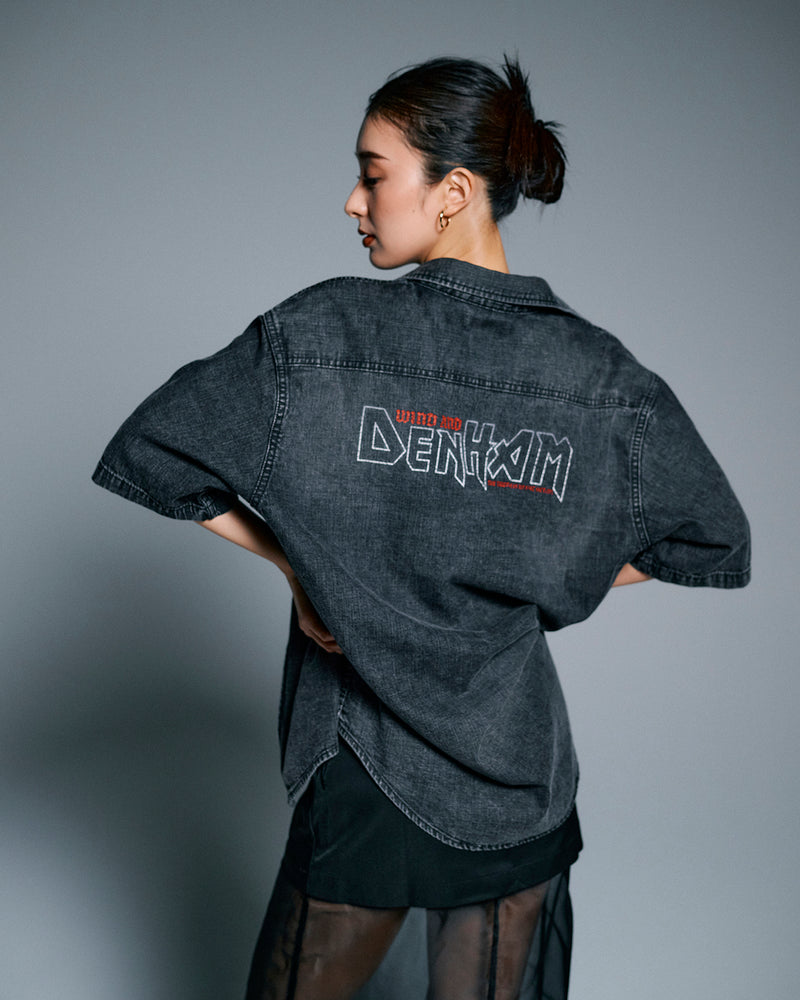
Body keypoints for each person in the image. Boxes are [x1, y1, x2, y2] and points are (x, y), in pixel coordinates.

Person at [92, 56, 750, 999]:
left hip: (365, 762)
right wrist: (549, 567)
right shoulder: (602, 379)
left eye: (373, 173)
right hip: (516, 768)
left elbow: (153, 450)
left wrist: (296, 567)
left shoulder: (320, 336)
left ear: (453, 190)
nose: (352, 200)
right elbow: (708, 538)